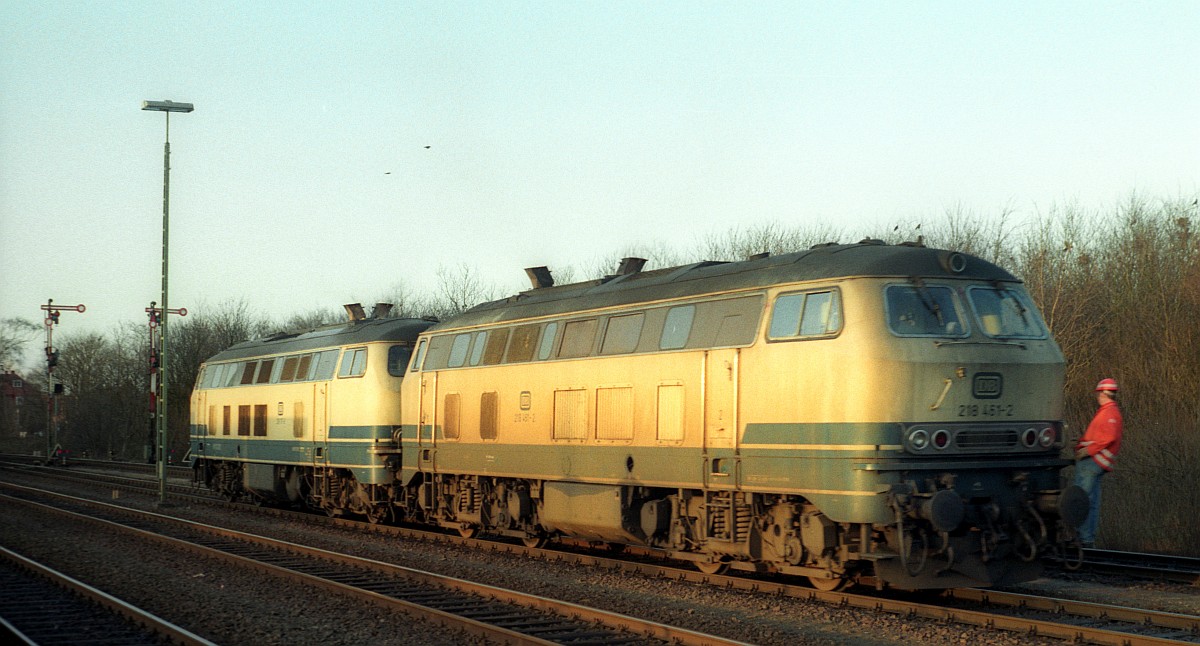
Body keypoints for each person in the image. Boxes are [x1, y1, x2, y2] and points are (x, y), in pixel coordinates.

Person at [1073, 378, 1124, 547]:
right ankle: (1087, 539)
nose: (1097, 397)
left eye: (1099, 393)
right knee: (1091, 501)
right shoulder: (1108, 411)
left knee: (1082, 500)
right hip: (1096, 462)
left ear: (1103, 393)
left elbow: (1108, 437)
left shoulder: (1109, 413)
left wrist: (1087, 451)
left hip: (1092, 462)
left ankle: (1083, 539)